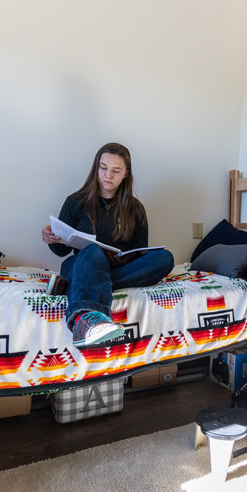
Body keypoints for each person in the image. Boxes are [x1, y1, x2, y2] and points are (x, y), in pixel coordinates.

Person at [42, 142, 174, 346]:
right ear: (96, 168)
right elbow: (61, 251)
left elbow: (141, 251)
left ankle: (76, 285)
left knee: (165, 258)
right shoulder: (75, 202)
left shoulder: (136, 208)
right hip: (80, 264)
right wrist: (52, 239)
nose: (107, 175)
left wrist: (124, 258)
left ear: (126, 174)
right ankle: (86, 322)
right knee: (93, 251)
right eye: (103, 168)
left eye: (116, 170)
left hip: (118, 268)